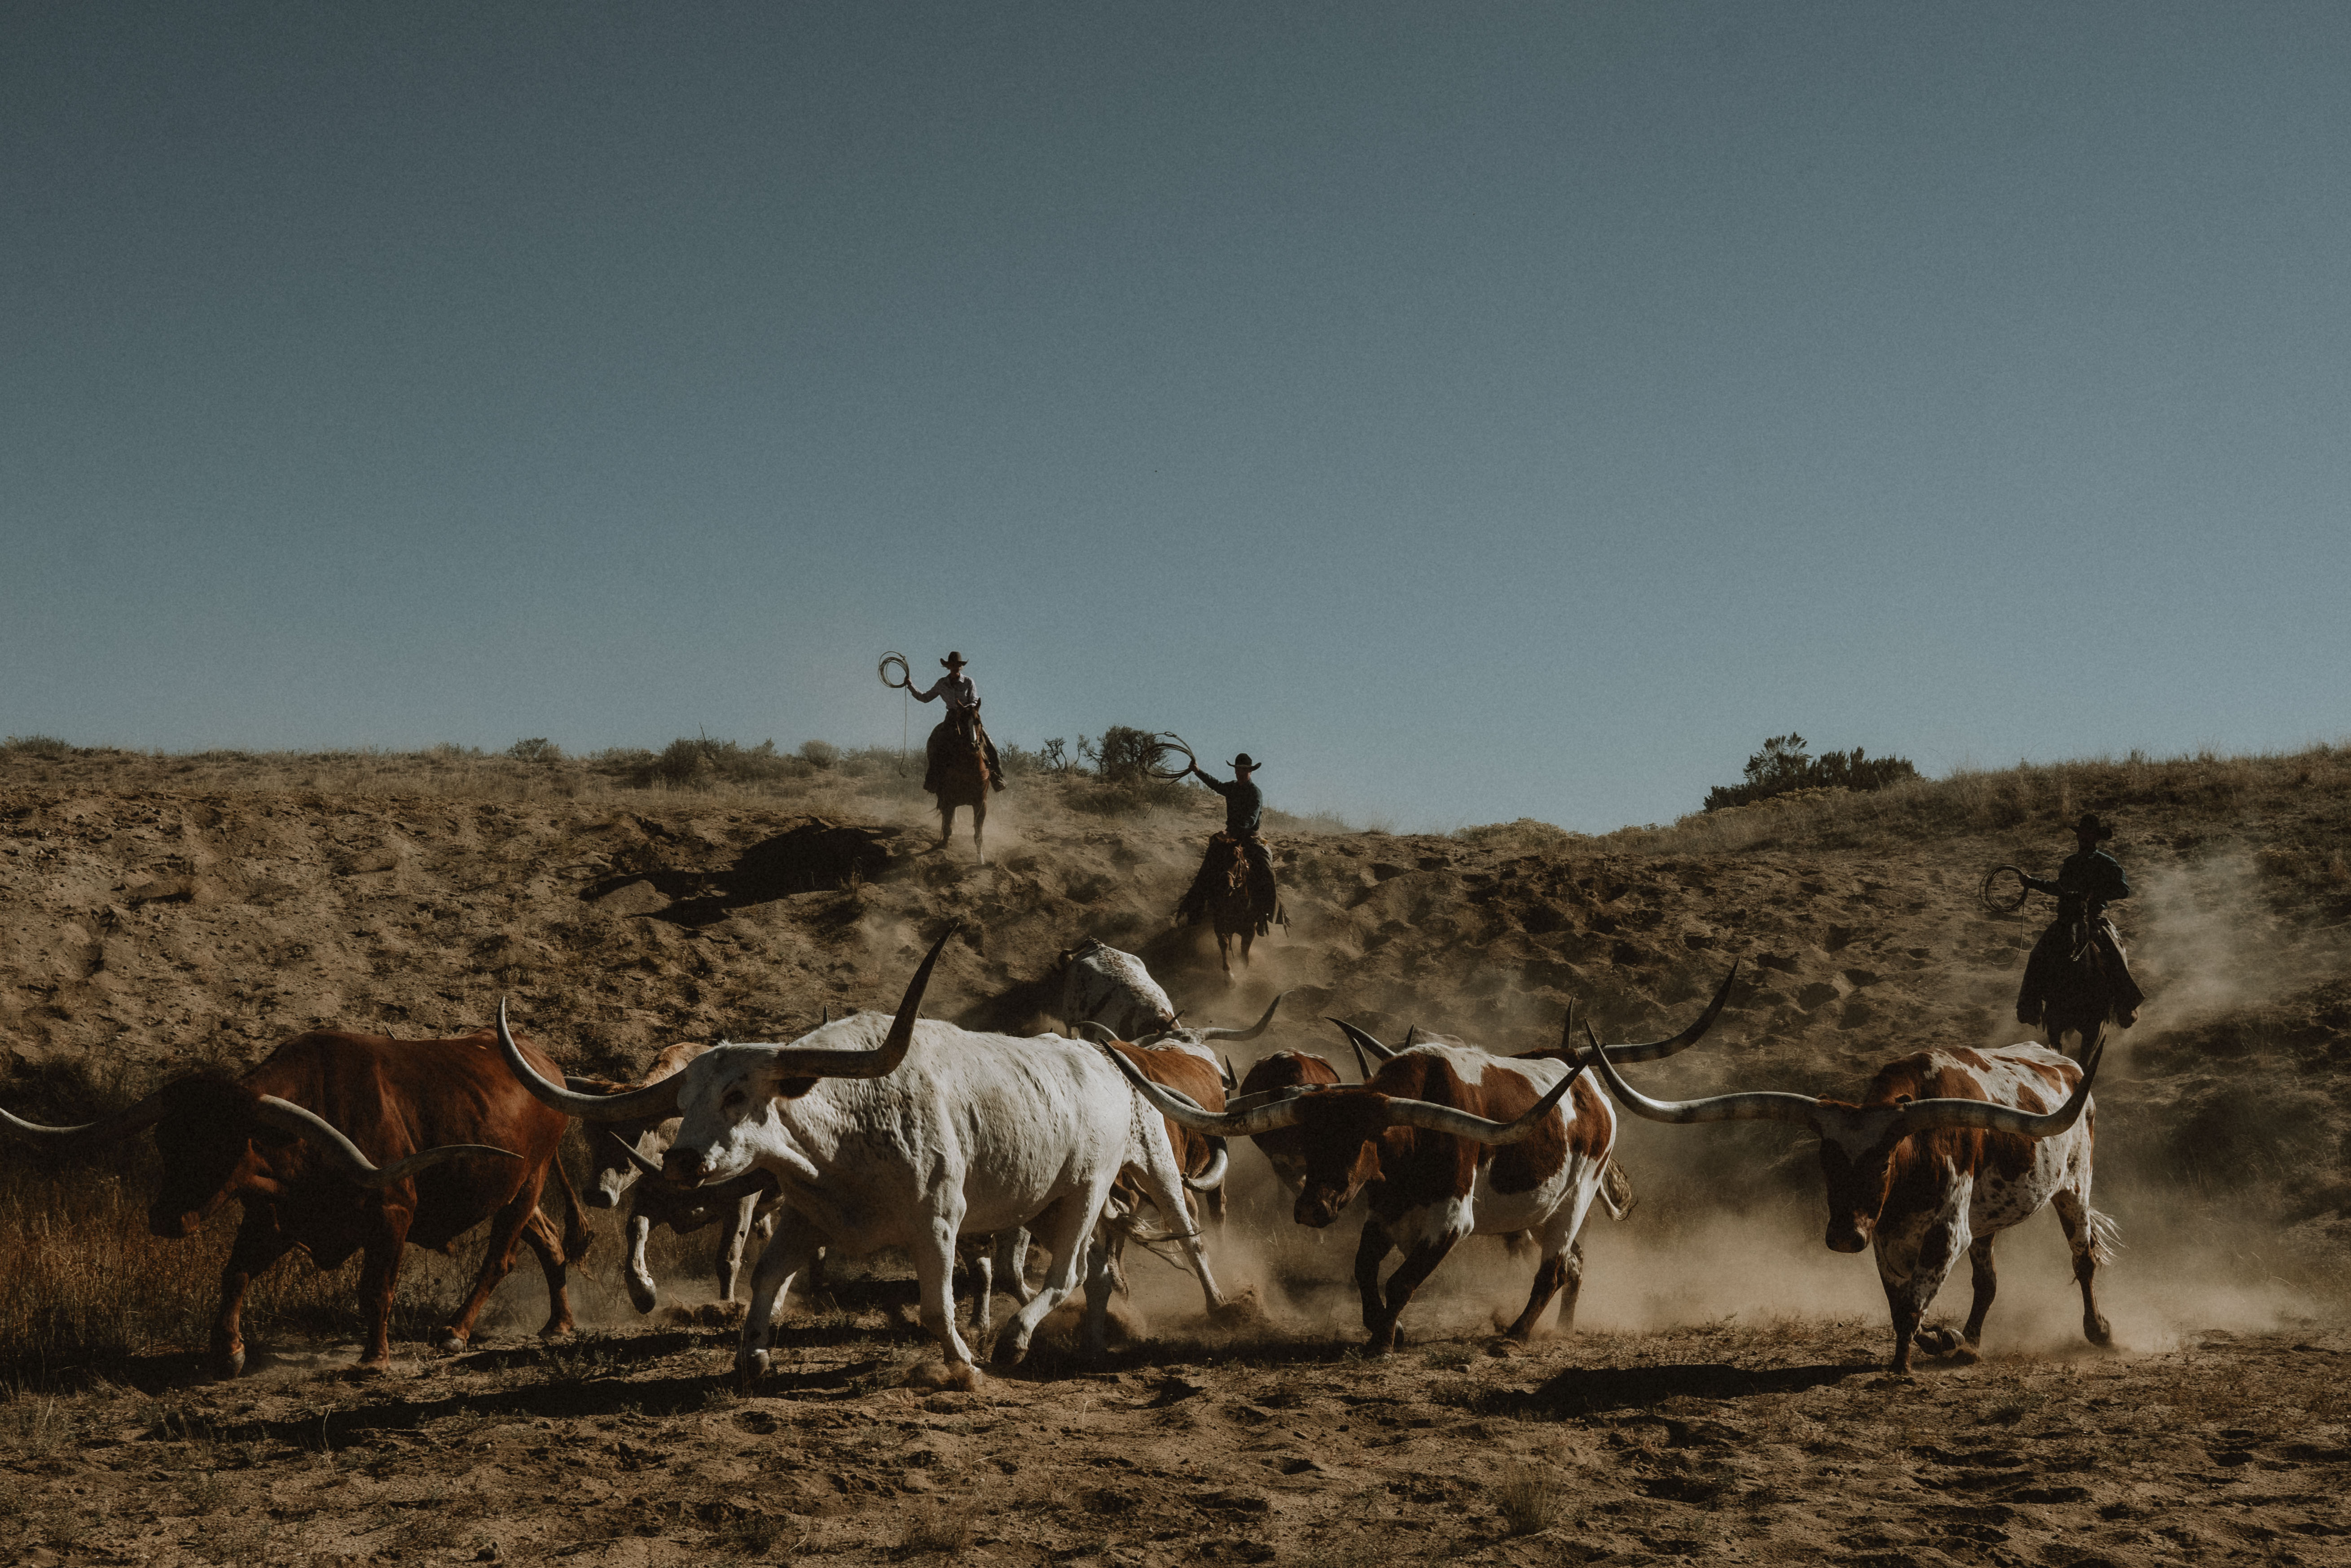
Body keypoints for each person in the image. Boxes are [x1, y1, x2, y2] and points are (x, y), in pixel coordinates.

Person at [2015, 812, 2144, 1029]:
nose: (2083, 838)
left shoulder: (2107, 863)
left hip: (2095, 919)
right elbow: (2060, 888)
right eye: (2081, 834)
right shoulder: (2071, 862)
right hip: (2066, 919)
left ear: (2095, 838)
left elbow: (2124, 890)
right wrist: (2032, 883)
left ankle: (2125, 1005)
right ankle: (2030, 1006)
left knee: (2114, 952)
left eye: (2088, 834)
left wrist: (2095, 893)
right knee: (2038, 953)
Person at [1182, 753, 1278, 931]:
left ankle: (1265, 915)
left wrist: (1234, 830)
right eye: (1238, 770)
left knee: (1267, 870)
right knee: (1208, 866)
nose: (1240, 774)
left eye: (1244, 770)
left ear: (1250, 771)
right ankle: (1194, 909)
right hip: (1231, 835)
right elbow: (1216, 785)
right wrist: (1197, 771)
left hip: (1251, 838)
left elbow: (1252, 818)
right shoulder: (1232, 788)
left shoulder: (1255, 792)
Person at [909, 652, 1004, 793]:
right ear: (948, 666)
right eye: (953, 665)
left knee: (989, 744)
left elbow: (974, 699)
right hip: (952, 718)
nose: (956, 668)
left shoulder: (969, 682)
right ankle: (932, 780)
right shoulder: (942, 683)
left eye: (958, 665)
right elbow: (925, 697)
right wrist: (910, 685)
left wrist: (966, 709)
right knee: (938, 746)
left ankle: (997, 777)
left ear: (961, 667)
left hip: (969, 716)